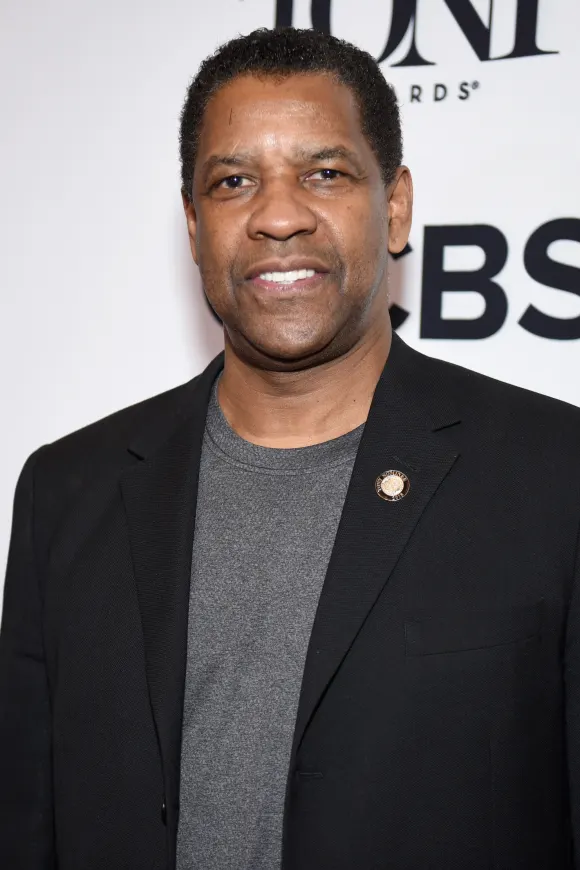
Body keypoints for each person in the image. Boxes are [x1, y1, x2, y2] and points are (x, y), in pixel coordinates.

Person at [1, 25, 579, 870]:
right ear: (195, 224)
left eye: (324, 174)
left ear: (395, 207)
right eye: (234, 181)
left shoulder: (555, 476)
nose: (277, 216)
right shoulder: (67, 490)